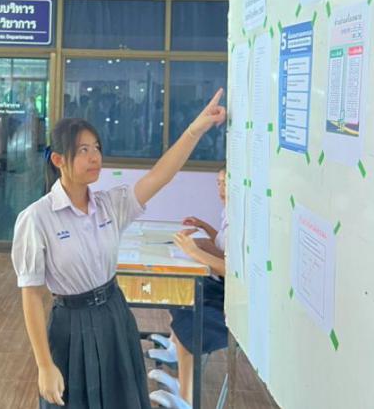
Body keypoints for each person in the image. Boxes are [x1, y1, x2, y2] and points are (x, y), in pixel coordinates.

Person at [12, 90, 226, 408]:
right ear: (58, 160)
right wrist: (44, 365)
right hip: (71, 325)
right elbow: (31, 295)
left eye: (97, 148)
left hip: (115, 314)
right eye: (83, 150)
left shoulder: (110, 205)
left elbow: (160, 175)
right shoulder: (36, 218)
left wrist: (195, 129)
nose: (94, 157)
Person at [147, 169, 228, 407]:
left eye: (226, 183)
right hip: (223, 289)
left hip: (231, 304)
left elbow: (233, 269)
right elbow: (223, 245)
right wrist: (203, 229)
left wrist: (194, 251)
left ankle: (186, 400)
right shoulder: (230, 211)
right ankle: (179, 371)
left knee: (190, 313)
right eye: (218, 183)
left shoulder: (246, 218)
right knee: (183, 292)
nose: (221, 189)